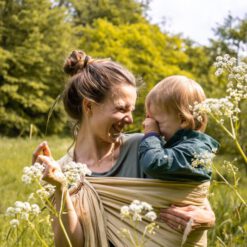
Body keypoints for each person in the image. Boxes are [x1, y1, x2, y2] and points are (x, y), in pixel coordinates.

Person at [33, 51, 216, 247]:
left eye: (132, 111)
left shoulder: (145, 148)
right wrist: (60, 188)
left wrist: (207, 217)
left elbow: (192, 191)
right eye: (121, 109)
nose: (130, 120)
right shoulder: (59, 171)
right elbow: (70, 244)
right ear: (89, 106)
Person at [139, 75, 219, 181]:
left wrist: (151, 134)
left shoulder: (194, 150)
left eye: (157, 123)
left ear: (183, 120)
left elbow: (154, 164)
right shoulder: (180, 146)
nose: (155, 128)